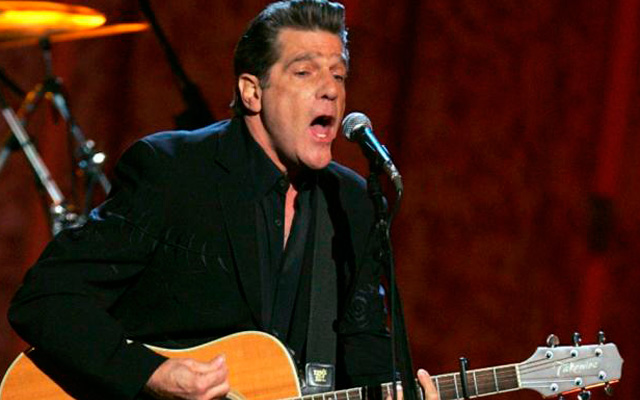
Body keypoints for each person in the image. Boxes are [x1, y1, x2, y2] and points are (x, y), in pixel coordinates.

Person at [8, 1, 438, 399]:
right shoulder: (173, 171)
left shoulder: (353, 203)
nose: (330, 90)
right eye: (305, 72)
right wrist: (154, 374)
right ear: (252, 91)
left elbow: (364, 355)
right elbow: (45, 299)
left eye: (339, 75)